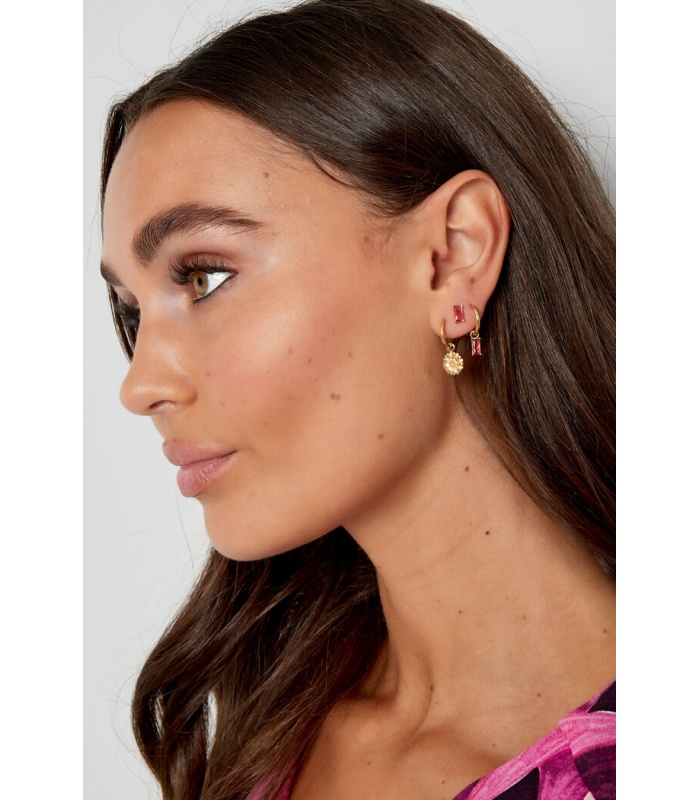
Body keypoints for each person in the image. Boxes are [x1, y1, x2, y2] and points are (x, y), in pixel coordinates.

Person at [98, 0, 615, 798]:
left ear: (452, 255)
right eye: (133, 312)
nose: (140, 385)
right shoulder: (265, 722)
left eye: (203, 276)